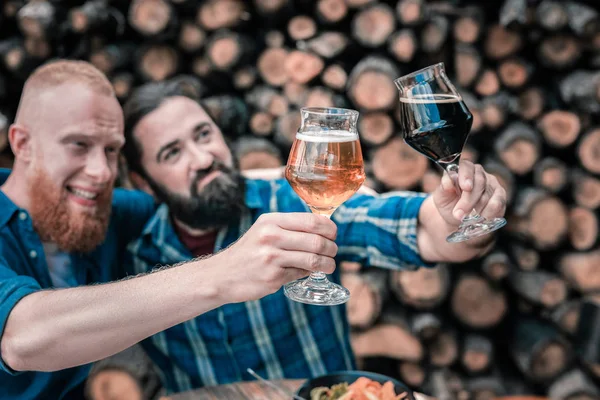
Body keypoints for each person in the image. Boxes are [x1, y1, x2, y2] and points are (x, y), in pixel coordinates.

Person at [120, 78, 507, 393]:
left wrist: (458, 216)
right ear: (143, 183)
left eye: (204, 134)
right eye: (173, 153)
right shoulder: (133, 258)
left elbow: (420, 231)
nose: (203, 158)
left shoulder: (291, 203)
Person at [0, 60, 342, 400]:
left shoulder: (99, 210)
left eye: (111, 150)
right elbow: (23, 338)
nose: (101, 172)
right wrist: (221, 274)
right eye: (78, 145)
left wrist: (320, 189)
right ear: (22, 143)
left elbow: (196, 190)